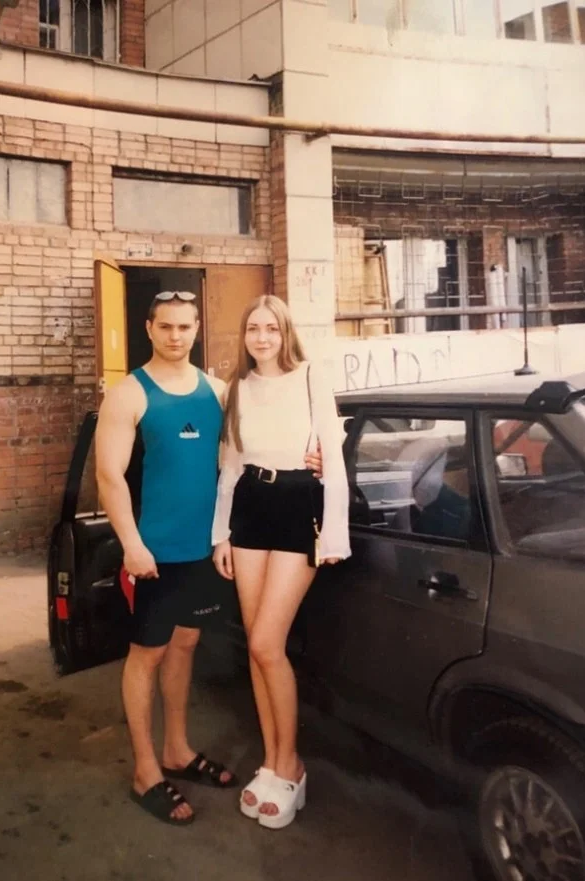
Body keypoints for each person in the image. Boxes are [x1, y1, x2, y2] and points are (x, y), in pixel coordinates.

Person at [95, 290, 322, 826]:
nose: (176, 336)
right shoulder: (129, 393)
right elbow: (108, 476)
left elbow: (251, 451)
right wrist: (131, 544)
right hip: (154, 551)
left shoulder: (219, 392)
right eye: (166, 326)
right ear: (149, 329)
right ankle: (146, 770)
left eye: (185, 327)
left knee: (186, 644)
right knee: (146, 654)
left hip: (207, 547)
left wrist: (313, 457)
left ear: (198, 330)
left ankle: (176, 749)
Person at [212, 295, 351, 830]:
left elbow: (332, 459)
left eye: (271, 328)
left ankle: (292, 765)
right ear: (244, 335)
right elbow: (230, 466)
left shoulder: (311, 376)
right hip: (250, 507)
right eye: (253, 328)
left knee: (268, 644)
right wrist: (221, 535)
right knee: (255, 644)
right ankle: (270, 762)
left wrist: (333, 534)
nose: (262, 337)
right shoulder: (237, 388)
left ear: (285, 332)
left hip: (298, 507)